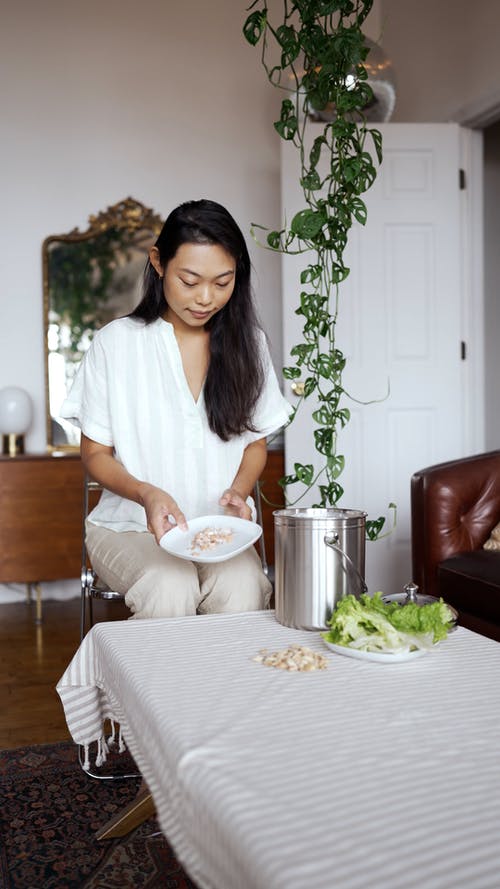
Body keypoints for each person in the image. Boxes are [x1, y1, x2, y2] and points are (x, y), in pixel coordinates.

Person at [61, 199, 292, 619]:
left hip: (217, 528)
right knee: (170, 583)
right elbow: (95, 454)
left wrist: (239, 492)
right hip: (128, 527)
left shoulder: (249, 345)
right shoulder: (116, 344)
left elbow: (255, 444)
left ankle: (225, 687)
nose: (206, 298)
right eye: (190, 280)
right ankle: (164, 686)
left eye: (223, 282)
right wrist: (146, 494)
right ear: (159, 263)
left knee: (243, 587)